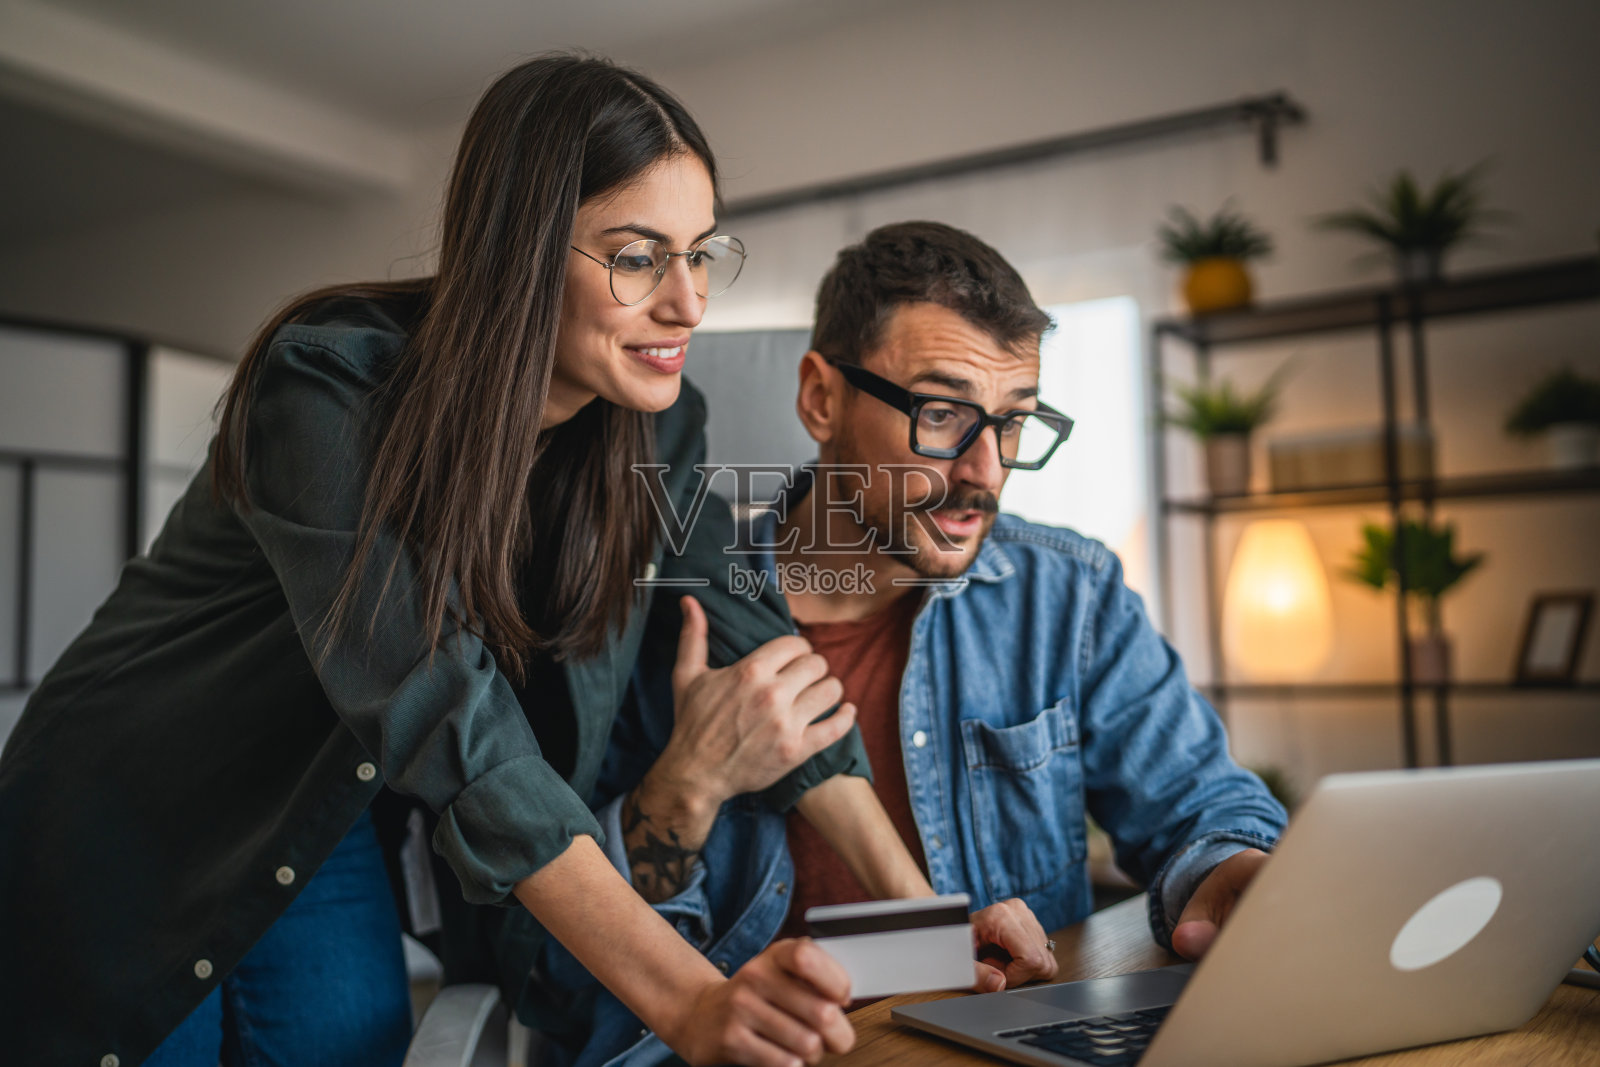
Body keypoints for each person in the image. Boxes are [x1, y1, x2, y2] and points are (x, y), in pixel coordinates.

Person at [0, 55, 931, 1067]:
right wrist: (694, 1002)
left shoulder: (652, 430)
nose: (687, 302)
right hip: (132, 803)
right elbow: (446, 705)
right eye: (638, 257)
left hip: (319, 802)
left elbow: (765, 650)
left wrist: (930, 925)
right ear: (519, 251)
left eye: (702, 253)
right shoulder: (326, 388)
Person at [532, 220, 1289, 1067]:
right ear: (822, 399)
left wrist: (1226, 869)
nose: (986, 471)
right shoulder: (650, 619)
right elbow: (560, 981)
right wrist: (683, 789)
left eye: (1013, 423)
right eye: (942, 415)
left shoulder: (1068, 596)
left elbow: (1200, 803)